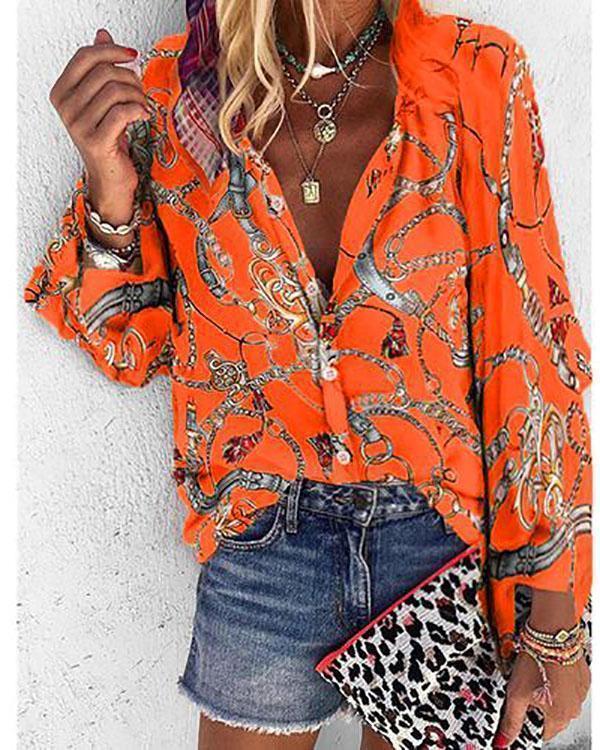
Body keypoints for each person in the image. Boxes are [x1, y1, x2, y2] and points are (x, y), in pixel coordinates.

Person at [23, 0, 592, 748]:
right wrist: (107, 180)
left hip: (441, 542)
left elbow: (530, 353)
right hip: (267, 548)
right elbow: (126, 343)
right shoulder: (178, 99)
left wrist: (556, 618)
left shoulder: (474, 76)